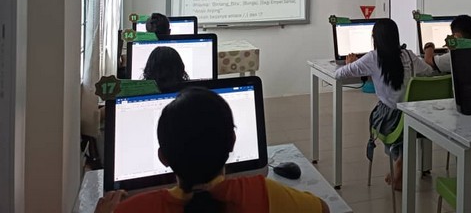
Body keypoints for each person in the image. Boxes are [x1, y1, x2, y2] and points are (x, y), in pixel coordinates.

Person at [95, 88, 329, 213]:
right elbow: (323, 209)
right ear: (233, 142)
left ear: (162, 157)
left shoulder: (133, 209)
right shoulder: (263, 193)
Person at [334, 18, 431, 190]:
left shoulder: (373, 58)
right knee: (403, 121)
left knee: (377, 116)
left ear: (375, 38)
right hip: (416, 118)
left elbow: (339, 74)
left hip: (390, 120)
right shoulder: (409, 55)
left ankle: (399, 160)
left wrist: (351, 64)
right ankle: (401, 160)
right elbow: (429, 71)